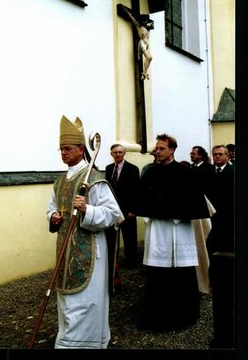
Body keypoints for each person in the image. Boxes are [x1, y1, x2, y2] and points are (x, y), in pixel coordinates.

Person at [47, 115, 124, 349]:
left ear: (81, 150)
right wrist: (53, 217)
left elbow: (113, 214)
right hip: (65, 248)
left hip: (90, 250)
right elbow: (51, 207)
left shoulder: (94, 179)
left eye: (67, 149)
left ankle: (86, 343)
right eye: (60, 149)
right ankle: (68, 340)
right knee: (67, 303)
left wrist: (87, 209)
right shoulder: (60, 182)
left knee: (86, 302)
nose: (63, 153)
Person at [137, 134, 210, 331]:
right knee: (157, 274)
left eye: (162, 148)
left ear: (172, 150)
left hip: (177, 230)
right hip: (157, 230)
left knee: (180, 274)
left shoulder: (184, 172)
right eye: (157, 148)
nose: (158, 152)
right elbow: (142, 200)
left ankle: (183, 316)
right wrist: (148, 214)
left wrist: (175, 214)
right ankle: (156, 317)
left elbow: (194, 203)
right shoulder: (150, 172)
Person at [106, 144, 140, 269]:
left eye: (120, 152)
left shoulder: (133, 169)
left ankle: (131, 262)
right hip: (112, 209)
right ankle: (112, 261)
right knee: (111, 236)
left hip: (128, 210)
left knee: (129, 237)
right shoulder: (109, 168)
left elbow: (137, 191)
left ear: (124, 153)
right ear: (111, 154)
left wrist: (133, 210)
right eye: (115, 152)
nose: (118, 154)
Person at [189, 145, 216, 294]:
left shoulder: (208, 169)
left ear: (201, 155)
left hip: (206, 208)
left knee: (207, 243)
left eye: (194, 153)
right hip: (197, 209)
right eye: (191, 153)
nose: (191, 155)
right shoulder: (192, 168)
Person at [206, 145, 235, 260]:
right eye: (215, 154)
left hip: (227, 218)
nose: (217, 156)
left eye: (220, 154)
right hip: (210, 216)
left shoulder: (233, 172)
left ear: (227, 156)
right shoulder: (207, 172)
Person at [124, 7, 153, 81]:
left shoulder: (147, 29)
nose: (146, 22)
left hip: (145, 45)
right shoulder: (139, 27)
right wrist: (128, 12)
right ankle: (144, 73)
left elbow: (151, 24)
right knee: (149, 57)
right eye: (145, 20)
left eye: (146, 21)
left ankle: (144, 73)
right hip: (142, 43)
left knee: (150, 58)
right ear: (142, 21)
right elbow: (132, 19)